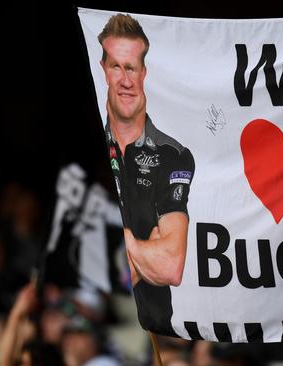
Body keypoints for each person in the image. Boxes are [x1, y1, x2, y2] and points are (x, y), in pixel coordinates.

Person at [98, 13, 195, 337]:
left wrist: (120, 239)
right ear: (103, 70)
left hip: (158, 331)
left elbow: (170, 266)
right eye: (116, 66)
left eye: (132, 68)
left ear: (144, 73)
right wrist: (141, 246)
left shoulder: (172, 155)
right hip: (91, 322)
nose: (125, 79)